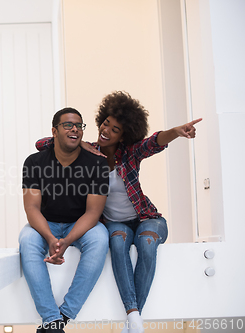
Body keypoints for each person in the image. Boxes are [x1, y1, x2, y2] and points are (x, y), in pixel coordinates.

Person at [36, 91, 201, 333]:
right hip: (114, 223)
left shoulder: (131, 153)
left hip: (146, 218)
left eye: (115, 129)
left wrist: (175, 132)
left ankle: (134, 317)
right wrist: (81, 143)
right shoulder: (86, 152)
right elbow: (41, 144)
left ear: (124, 135)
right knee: (117, 243)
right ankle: (134, 318)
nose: (107, 131)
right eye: (106, 124)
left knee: (146, 242)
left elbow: (154, 142)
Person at [20, 107, 110, 333]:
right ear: (54, 131)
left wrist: (67, 241)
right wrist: (50, 238)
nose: (75, 129)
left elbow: (93, 213)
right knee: (27, 239)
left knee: (100, 237)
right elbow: (31, 208)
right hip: (45, 223)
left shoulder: (97, 164)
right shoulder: (34, 162)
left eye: (79, 125)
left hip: (80, 224)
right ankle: (51, 321)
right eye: (68, 125)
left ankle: (63, 316)